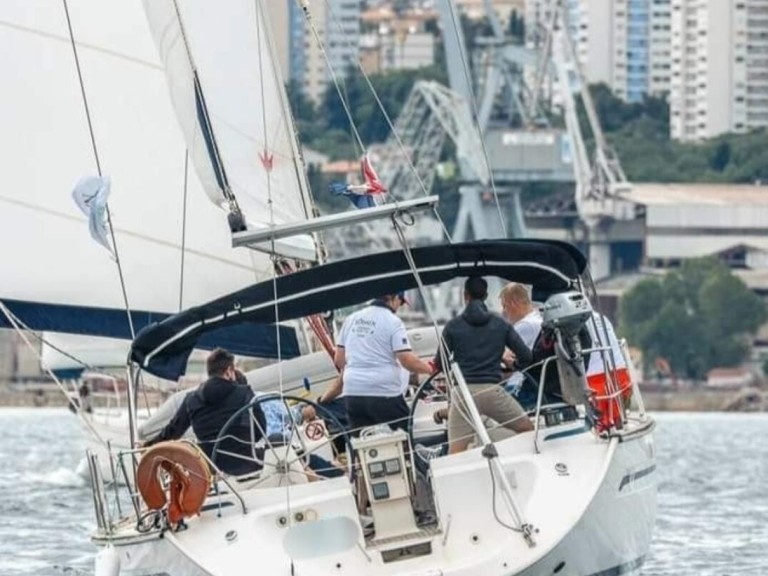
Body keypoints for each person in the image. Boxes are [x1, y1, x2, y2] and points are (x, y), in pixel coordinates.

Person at [433, 277, 534, 454]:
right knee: (528, 430)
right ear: (486, 295)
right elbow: (527, 357)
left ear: (465, 296)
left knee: (455, 453)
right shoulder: (501, 324)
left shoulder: (452, 326)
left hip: (463, 394)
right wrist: (510, 365)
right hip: (492, 392)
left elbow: (439, 364)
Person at [321, 292, 432, 434]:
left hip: (353, 394)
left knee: (363, 443)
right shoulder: (393, 322)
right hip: (384, 394)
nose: (399, 307)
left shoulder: (351, 319)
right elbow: (406, 360)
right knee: (406, 436)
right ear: (394, 298)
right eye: (401, 302)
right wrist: (430, 369)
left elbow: (339, 360)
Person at [143, 348, 266, 476]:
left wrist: (148, 446)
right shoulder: (245, 392)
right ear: (229, 371)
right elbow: (260, 431)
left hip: (211, 470)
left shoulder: (190, 399)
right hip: (246, 465)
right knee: (278, 442)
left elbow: (173, 431)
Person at [499, 282, 543, 406]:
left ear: (513, 303)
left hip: (518, 384)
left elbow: (505, 357)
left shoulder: (525, 326)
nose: (504, 312)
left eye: (504, 306)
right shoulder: (538, 320)